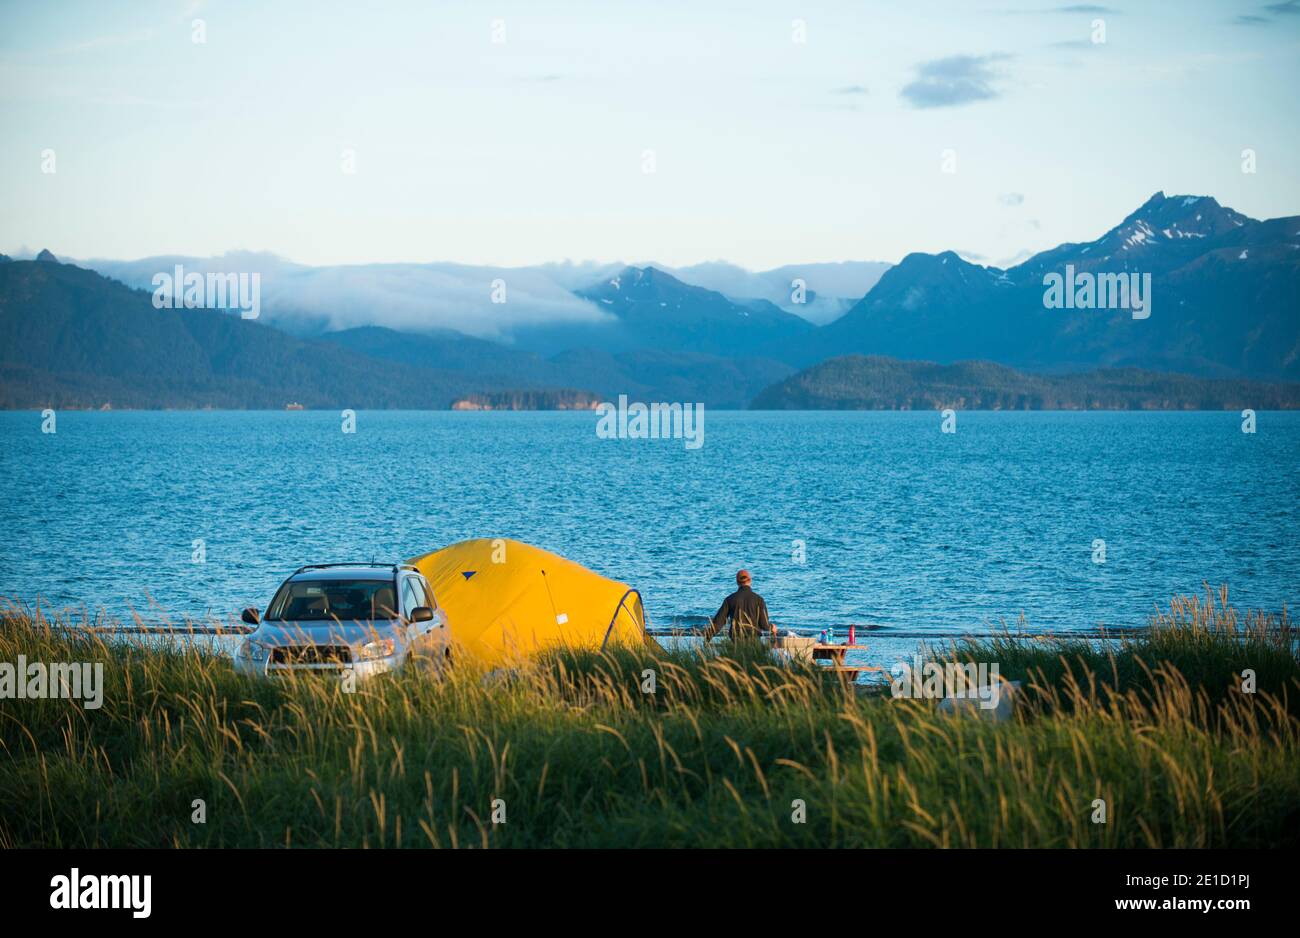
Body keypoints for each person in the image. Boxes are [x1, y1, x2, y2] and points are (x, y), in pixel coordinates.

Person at [703, 569, 774, 643]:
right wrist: (772, 627)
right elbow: (764, 625)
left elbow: (718, 623)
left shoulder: (729, 599)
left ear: (737, 582)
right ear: (750, 581)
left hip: (736, 642)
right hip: (754, 642)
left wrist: (707, 639)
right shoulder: (759, 600)